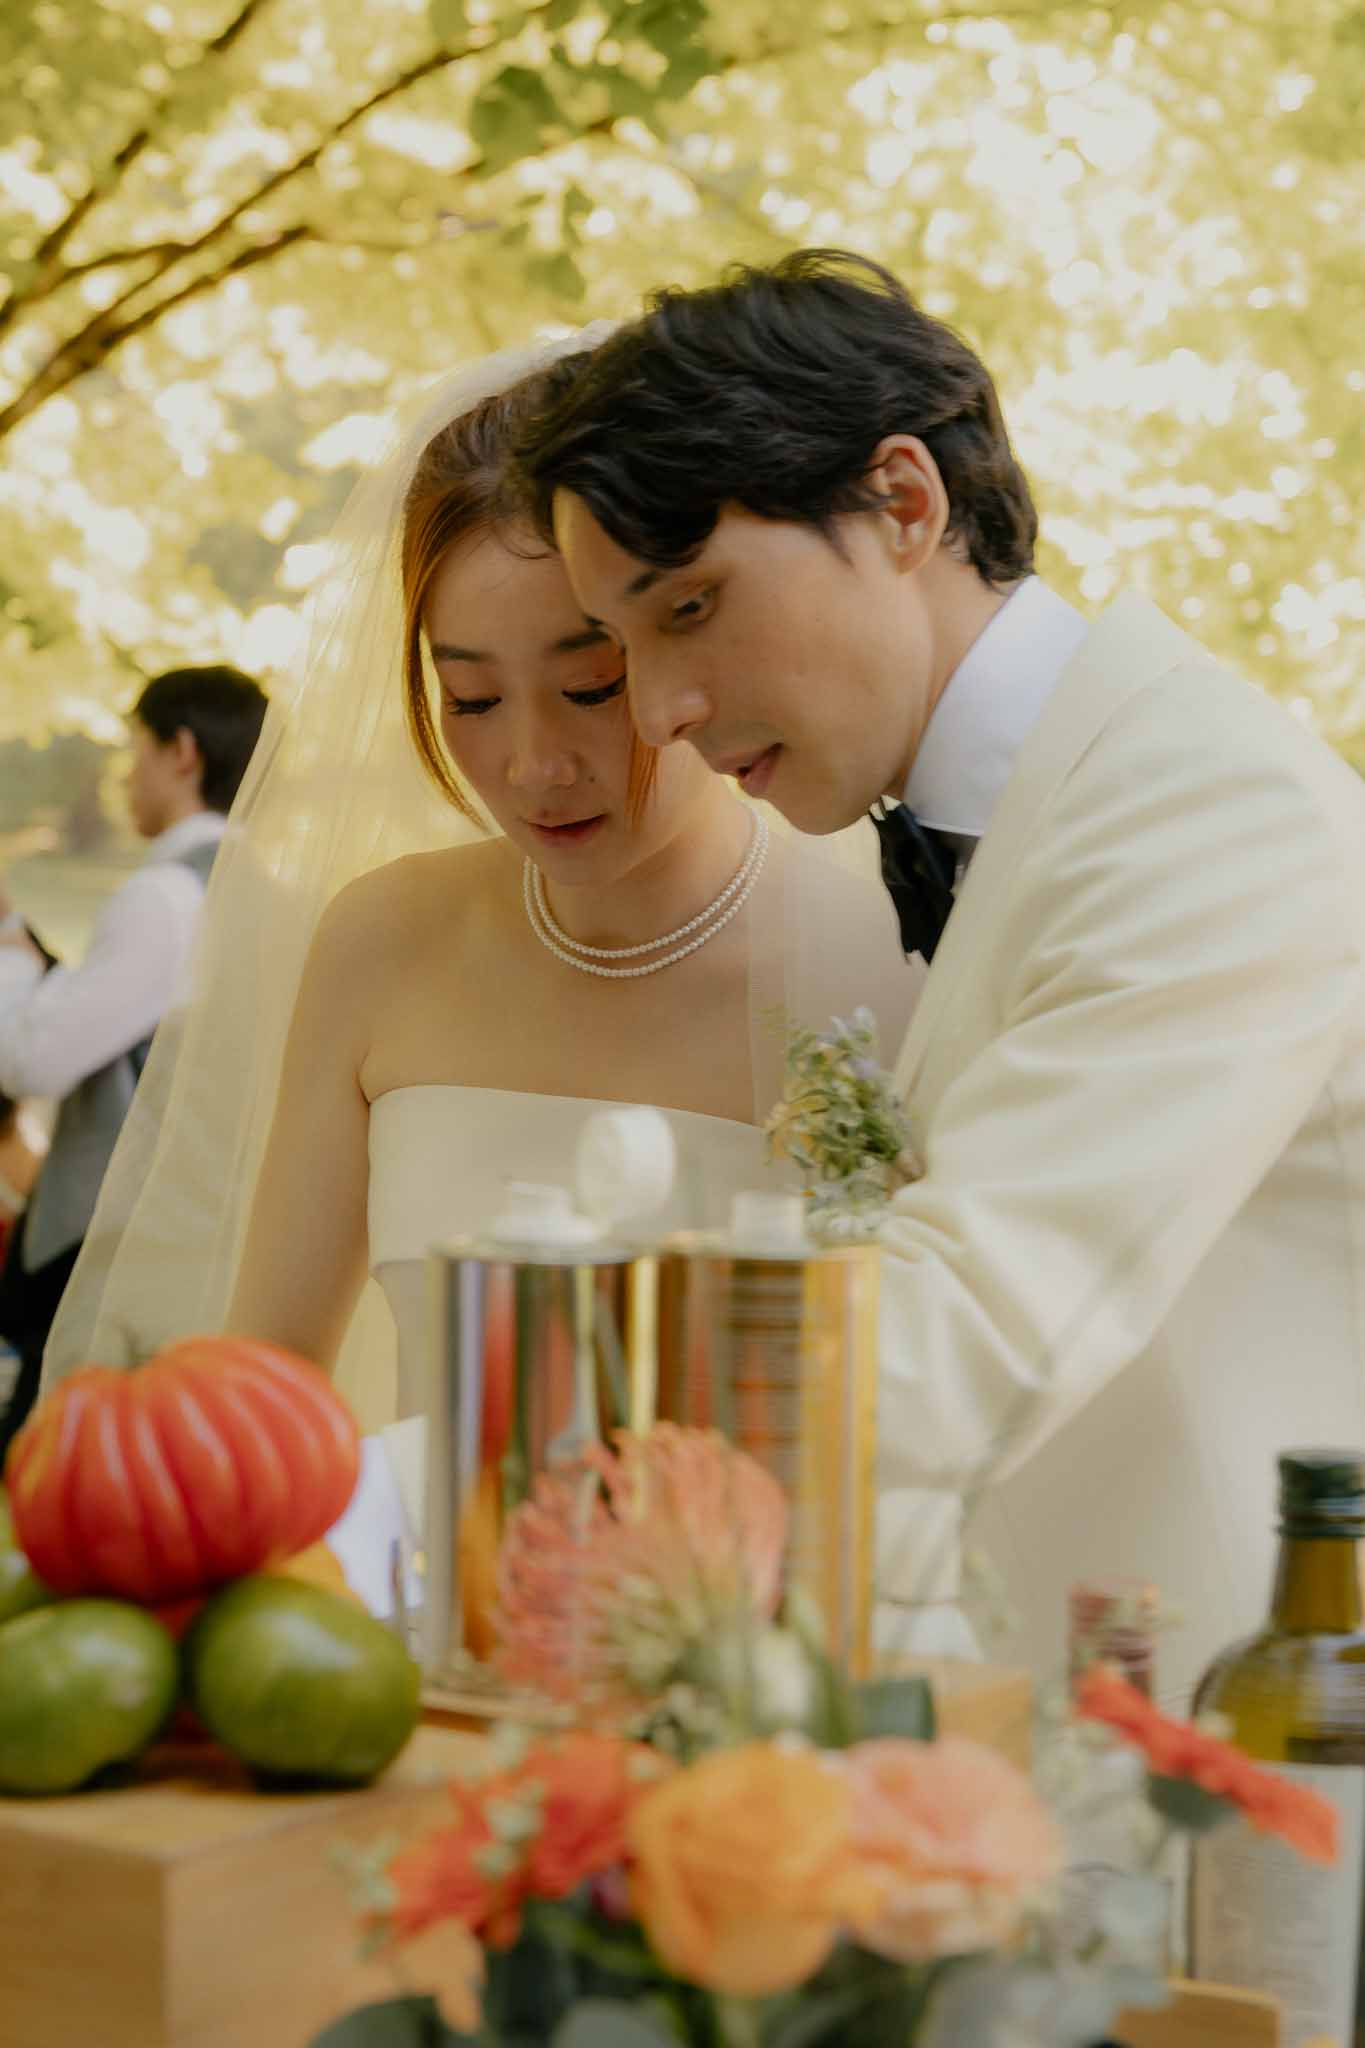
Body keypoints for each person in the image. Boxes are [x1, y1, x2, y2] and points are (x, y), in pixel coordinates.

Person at [512, 249, 1365, 1703]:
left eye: (693, 609)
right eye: (629, 647)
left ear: (903, 502)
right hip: (1046, 1716)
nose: (662, 711)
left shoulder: (1205, 804)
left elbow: (969, 1325)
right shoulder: (1003, 806)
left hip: (1246, 1755)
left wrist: (498, 1445)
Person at [42, 337, 914, 1494]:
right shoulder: (384, 941)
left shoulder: (881, 964)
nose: (533, 763)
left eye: (590, 686)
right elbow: (264, 1388)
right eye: (472, 697)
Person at [0, 664, 268, 1456]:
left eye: (134, 751)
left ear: (181, 752)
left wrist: (9, 942)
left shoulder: (163, 897)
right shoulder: (260, 886)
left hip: (103, 1234)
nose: (126, 776)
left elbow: (31, 1061)